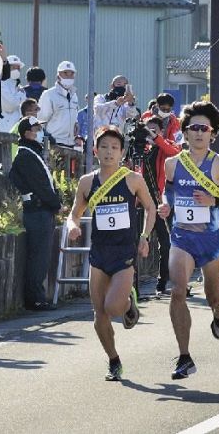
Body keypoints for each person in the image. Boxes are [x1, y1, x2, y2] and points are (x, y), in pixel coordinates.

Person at [158, 101, 219, 379]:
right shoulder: (173, 164)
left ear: (213, 133)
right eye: (193, 128)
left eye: (204, 128)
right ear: (184, 132)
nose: (198, 133)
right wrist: (166, 205)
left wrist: (215, 199)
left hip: (211, 242)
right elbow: (168, 193)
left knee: (213, 296)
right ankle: (185, 357)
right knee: (177, 290)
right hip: (182, 237)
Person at [66, 126, 156, 380]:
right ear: (95, 150)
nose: (108, 152)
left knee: (113, 307)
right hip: (99, 254)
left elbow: (150, 207)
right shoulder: (87, 182)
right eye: (103, 147)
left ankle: (129, 303)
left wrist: (145, 237)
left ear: (122, 153)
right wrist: (73, 227)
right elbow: (74, 214)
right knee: (99, 315)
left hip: (124, 252)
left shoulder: (132, 179)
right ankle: (114, 360)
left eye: (114, 148)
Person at [9, 116, 62, 311]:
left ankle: (37, 297)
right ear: (26, 133)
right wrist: (56, 203)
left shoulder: (33, 153)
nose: (40, 131)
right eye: (36, 128)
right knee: (38, 257)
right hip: (37, 211)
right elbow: (40, 186)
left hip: (42, 211)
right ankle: (35, 299)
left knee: (41, 256)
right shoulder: (25, 155)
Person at [141, 115, 181, 295]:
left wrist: (157, 138)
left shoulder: (165, 147)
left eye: (154, 130)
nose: (150, 134)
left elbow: (175, 153)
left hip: (162, 201)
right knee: (141, 240)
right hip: (144, 202)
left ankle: (164, 282)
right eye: (147, 130)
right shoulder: (141, 149)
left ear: (162, 131)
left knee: (167, 243)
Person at [38, 61, 79, 148]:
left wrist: (76, 124)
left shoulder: (74, 95)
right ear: (58, 76)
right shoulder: (49, 94)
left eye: (71, 74)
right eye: (65, 73)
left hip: (71, 143)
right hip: (54, 143)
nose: (69, 76)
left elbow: (74, 117)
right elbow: (41, 120)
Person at [0, 55, 27, 133]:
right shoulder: (1, 84)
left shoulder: (19, 87)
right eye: (13, 67)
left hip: (15, 129)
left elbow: (23, 108)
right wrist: (20, 95)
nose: (16, 70)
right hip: (2, 129)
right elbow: (10, 106)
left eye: (18, 68)